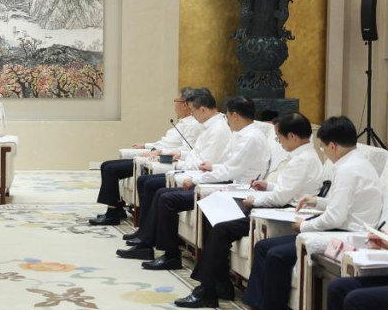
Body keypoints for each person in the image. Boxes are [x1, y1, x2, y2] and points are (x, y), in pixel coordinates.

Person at [231, 116, 382, 310]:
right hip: (340, 227)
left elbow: (336, 216)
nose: (323, 152)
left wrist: (305, 226)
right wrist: (316, 201)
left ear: (333, 146)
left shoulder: (348, 170)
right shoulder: (356, 163)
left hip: (346, 235)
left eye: (323, 147)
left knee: (276, 255)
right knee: (263, 247)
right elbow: (341, 204)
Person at [176, 112, 324, 308]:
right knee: (215, 218)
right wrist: (267, 186)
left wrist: (255, 200)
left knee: (221, 229)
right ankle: (219, 283)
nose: (279, 143)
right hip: (279, 206)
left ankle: (208, 289)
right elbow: (288, 189)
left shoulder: (302, 160)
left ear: (292, 137)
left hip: (281, 214)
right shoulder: (304, 156)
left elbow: (281, 198)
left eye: (279, 138)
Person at [118, 96, 268, 271]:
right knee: (161, 193)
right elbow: (228, 165)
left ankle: (171, 255)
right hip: (227, 183)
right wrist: (212, 167)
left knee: (167, 198)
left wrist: (196, 179)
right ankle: (150, 246)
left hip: (236, 190)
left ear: (235, 115)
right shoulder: (242, 134)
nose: (227, 120)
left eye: (227, 116)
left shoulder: (249, 138)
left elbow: (230, 171)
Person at [124, 88, 231, 244]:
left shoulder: (218, 130)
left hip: (197, 174)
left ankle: (148, 237)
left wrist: (177, 163)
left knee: (153, 186)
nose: (192, 115)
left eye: (193, 111)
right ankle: (145, 232)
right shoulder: (208, 125)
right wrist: (179, 155)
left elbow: (204, 163)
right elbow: (195, 153)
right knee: (146, 182)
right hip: (189, 168)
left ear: (202, 109)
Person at [89, 87, 199, 226]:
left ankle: (112, 213)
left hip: (160, 160)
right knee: (106, 165)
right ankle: (117, 209)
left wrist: (159, 152)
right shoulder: (183, 122)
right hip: (153, 154)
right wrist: (146, 145)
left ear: (185, 104)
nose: (174, 104)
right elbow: (164, 142)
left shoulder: (192, 125)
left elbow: (184, 150)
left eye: (176, 100)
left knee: (110, 169)